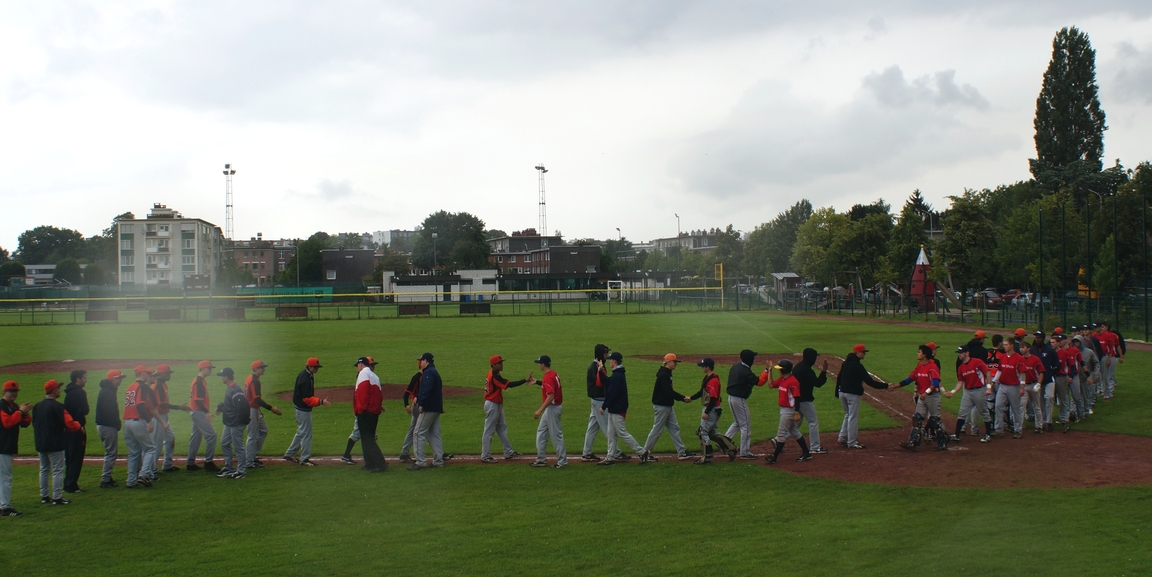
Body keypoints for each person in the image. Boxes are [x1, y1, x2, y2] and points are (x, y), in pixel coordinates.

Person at [34, 379, 83, 505]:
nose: (60, 390)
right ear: (54, 390)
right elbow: (70, 424)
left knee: (44, 469)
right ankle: (57, 497)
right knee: (57, 469)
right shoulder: (58, 406)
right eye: (58, 388)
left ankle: (44, 496)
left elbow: (34, 423)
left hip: (40, 442)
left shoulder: (38, 405)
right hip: (55, 443)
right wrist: (79, 427)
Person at [598, 351, 652, 466]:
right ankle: (610, 457)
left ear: (615, 361)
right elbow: (608, 383)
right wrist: (601, 370)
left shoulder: (617, 376)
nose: (609, 362)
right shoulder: (618, 374)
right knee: (611, 434)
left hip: (617, 409)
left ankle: (642, 452)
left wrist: (603, 407)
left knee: (622, 433)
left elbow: (612, 393)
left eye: (611, 360)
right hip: (615, 409)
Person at [642, 353, 695, 461]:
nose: (676, 364)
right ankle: (645, 453)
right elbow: (669, 392)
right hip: (662, 406)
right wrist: (682, 398)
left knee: (674, 428)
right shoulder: (664, 375)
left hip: (667, 406)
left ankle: (681, 452)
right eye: (674, 362)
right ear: (668, 362)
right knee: (657, 430)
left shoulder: (666, 373)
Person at [893, 345, 947, 451]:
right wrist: (895, 386)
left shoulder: (932, 367)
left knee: (935, 420)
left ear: (924, 354)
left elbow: (936, 382)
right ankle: (912, 442)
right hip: (923, 397)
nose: (917, 354)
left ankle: (943, 441)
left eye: (919, 352)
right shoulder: (920, 366)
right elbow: (909, 379)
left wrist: (926, 392)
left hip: (932, 397)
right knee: (917, 418)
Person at [836, 344, 888, 449]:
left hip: (842, 392)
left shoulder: (845, 363)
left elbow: (839, 377)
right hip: (852, 394)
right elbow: (869, 382)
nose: (864, 354)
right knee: (852, 417)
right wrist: (885, 386)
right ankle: (851, 441)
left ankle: (842, 438)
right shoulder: (858, 366)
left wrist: (836, 391)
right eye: (863, 352)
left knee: (848, 415)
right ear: (858, 353)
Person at [481, 355, 530, 463]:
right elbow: (509, 385)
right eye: (499, 363)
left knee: (502, 428)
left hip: (496, 404)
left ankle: (508, 452)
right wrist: (525, 380)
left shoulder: (493, 373)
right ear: (493, 365)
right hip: (492, 405)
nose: (502, 365)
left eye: (501, 362)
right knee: (489, 430)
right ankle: (485, 455)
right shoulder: (494, 376)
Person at [285, 357, 330, 466]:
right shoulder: (305, 378)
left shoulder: (306, 374)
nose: (316, 369)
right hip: (303, 410)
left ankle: (290, 453)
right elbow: (306, 399)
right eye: (315, 367)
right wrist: (320, 401)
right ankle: (304, 459)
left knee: (301, 432)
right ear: (309, 367)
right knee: (306, 434)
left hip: (300, 408)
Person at [763, 360, 811, 464]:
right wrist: (769, 371)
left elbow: (797, 398)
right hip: (784, 409)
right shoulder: (782, 379)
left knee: (781, 434)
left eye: (780, 369)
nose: (778, 370)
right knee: (794, 431)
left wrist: (796, 412)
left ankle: (774, 457)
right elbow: (771, 385)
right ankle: (806, 452)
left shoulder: (793, 382)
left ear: (784, 369)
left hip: (789, 411)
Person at [944, 346, 993, 443]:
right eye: (959, 353)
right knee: (962, 413)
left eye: (961, 353)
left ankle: (988, 434)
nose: (959, 355)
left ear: (967, 353)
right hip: (968, 392)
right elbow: (960, 382)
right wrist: (953, 392)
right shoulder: (961, 368)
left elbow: (988, 373)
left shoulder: (977, 362)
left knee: (984, 412)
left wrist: (989, 387)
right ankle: (957, 435)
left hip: (979, 390)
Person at [408, 353, 447, 471]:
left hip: (429, 408)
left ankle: (420, 462)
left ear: (426, 361)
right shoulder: (434, 372)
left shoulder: (428, 373)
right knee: (434, 434)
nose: (420, 363)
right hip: (436, 408)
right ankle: (438, 461)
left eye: (422, 361)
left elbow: (427, 389)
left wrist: (422, 403)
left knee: (418, 432)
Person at [689, 358, 731, 464]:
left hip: (712, 409)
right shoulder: (708, 378)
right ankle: (731, 448)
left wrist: (706, 412)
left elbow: (713, 398)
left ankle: (706, 457)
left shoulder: (713, 381)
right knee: (712, 433)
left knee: (703, 432)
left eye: (703, 366)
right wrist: (691, 398)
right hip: (713, 409)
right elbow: (702, 392)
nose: (702, 368)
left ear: (707, 367)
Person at [1, 381, 33, 516]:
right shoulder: (1, 405)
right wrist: (20, 412)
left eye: (15, 391)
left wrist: (24, 413)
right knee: (5, 477)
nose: (14, 394)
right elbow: (7, 423)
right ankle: (5, 507)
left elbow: (25, 423)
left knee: (4, 477)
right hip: (2, 447)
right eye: (11, 391)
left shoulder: (13, 406)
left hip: (7, 446)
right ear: (4, 392)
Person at [724, 349, 763, 459]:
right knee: (745, 425)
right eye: (753, 358)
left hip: (731, 398)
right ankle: (745, 452)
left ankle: (724, 441)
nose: (754, 360)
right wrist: (766, 371)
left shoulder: (736, 366)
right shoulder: (745, 371)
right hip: (739, 399)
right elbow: (758, 382)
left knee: (738, 422)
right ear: (750, 359)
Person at [123, 366, 157, 488]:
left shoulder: (130, 386)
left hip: (127, 422)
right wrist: (148, 421)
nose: (148, 375)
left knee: (133, 452)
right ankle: (143, 473)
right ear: (143, 374)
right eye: (147, 373)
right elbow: (140, 405)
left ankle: (131, 481)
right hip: (138, 421)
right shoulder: (142, 387)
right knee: (150, 449)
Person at [530, 355, 567, 468]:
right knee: (541, 432)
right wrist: (537, 382)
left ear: (543, 364)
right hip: (552, 408)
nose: (539, 365)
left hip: (552, 409)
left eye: (539, 363)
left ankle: (562, 462)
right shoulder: (553, 374)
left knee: (556, 435)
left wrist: (539, 410)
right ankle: (541, 459)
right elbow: (550, 386)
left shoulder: (548, 377)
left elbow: (551, 396)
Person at [352, 356, 388, 473]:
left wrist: (360, 410)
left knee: (367, 439)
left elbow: (363, 394)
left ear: (361, 364)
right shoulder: (374, 376)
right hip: (374, 411)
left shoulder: (363, 374)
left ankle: (380, 463)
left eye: (358, 365)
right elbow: (379, 396)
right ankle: (369, 463)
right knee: (368, 437)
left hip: (366, 411)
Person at [342, 357, 379, 465]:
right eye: (372, 365)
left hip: (363, 410)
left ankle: (373, 458)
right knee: (358, 433)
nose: (373, 367)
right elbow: (363, 396)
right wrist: (360, 411)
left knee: (371, 435)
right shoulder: (363, 376)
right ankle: (346, 455)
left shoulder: (367, 376)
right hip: (362, 411)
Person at [791, 348, 828, 454]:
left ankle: (778, 440)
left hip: (797, 399)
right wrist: (824, 371)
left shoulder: (798, 367)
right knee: (813, 422)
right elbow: (818, 383)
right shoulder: (807, 370)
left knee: (795, 426)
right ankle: (815, 447)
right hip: (805, 400)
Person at [245, 360, 281, 470]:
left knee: (263, 430)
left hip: (254, 408)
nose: (264, 369)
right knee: (252, 435)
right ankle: (249, 461)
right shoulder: (254, 380)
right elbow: (257, 399)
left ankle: (252, 455)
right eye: (262, 368)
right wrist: (271, 408)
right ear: (256, 369)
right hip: (251, 409)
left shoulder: (251, 378)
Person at [581, 344, 614, 462]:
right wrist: (602, 371)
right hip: (599, 401)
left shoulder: (598, 366)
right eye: (604, 353)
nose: (606, 355)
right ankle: (616, 452)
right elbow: (599, 384)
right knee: (607, 427)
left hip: (597, 400)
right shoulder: (595, 367)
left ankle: (587, 452)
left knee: (592, 427)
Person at [216, 367, 250, 479]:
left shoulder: (235, 390)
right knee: (224, 443)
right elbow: (230, 406)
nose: (221, 378)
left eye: (222, 376)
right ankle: (229, 467)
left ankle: (241, 471)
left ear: (226, 377)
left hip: (236, 423)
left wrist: (242, 422)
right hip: (229, 423)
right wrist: (220, 407)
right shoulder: (230, 389)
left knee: (238, 447)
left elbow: (243, 407)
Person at [187, 360, 220, 472]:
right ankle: (208, 462)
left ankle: (190, 463)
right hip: (198, 411)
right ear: (202, 369)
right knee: (212, 435)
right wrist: (207, 412)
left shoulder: (199, 381)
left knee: (196, 438)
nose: (210, 370)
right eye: (209, 368)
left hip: (195, 411)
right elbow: (198, 400)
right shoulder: (199, 382)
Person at [94, 370, 124, 488]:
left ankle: (107, 478)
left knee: (109, 452)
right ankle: (105, 480)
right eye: (119, 378)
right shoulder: (108, 392)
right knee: (111, 453)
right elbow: (110, 411)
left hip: (103, 425)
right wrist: (116, 423)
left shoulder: (107, 390)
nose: (121, 381)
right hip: (108, 426)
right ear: (113, 379)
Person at [62, 369, 89, 493]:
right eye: (84, 378)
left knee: (70, 457)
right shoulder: (80, 392)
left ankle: (68, 483)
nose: (85, 380)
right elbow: (85, 410)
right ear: (78, 379)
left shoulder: (68, 392)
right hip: (78, 428)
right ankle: (71, 485)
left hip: (68, 428)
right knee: (77, 457)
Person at [993, 338, 1026, 439]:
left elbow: (1022, 374)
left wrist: (1022, 387)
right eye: (1004, 345)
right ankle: (999, 429)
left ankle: (1018, 430)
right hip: (1002, 385)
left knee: (1015, 409)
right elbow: (1000, 370)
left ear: (1012, 345)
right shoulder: (1002, 357)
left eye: (1006, 345)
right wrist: (994, 381)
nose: (1004, 347)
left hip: (1014, 386)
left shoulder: (1019, 358)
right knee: (998, 406)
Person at [150, 364, 180, 474]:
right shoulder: (158, 386)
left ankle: (167, 464)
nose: (169, 375)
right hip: (158, 416)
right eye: (167, 373)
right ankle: (151, 469)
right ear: (161, 374)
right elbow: (161, 404)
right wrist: (179, 407)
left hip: (163, 416)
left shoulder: (162, 384)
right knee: (157, 444)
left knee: (170, 438)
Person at [1017, 341, 1046, 435]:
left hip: (1033, 384)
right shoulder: (1019, 359)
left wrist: (1039, 384)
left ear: (1028, 348)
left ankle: (1039, 426)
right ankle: (1018, 427)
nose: (1021, 349)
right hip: (1023, 385)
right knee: (1021, 406)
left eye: (1023, 347)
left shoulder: (1035, 359)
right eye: (1020, 347)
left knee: (1036, 406)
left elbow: (1041, 372)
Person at [1033, 330, 1059, 431]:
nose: (1037, 339)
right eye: (1036, 337)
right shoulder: (1032, 350)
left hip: (1049, 379)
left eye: (1039, 337)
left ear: (1043, 338)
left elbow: (1056, 364)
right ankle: (1042, 421)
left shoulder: (1050, 350)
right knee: (1039, 401)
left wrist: (1050, 373)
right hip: (1037, 380)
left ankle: (1048, 421)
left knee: (1049, 398)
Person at [398, 361, 423, 463]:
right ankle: (439, 453)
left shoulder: (425, 376)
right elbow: (407, 392)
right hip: (417, 407)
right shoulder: (417, 377)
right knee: (419, 429)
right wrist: (406, 405)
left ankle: (404, 452)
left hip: (419, 406)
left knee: (414, 429)